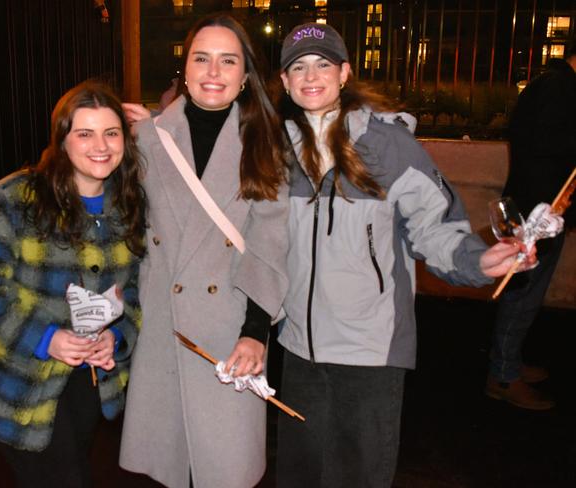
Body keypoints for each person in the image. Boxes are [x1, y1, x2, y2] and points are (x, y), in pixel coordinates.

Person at [273, 23, 536, 488]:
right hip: (299, 348)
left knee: (358, 477)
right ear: (285, 81)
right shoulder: (276, 151)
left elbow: (434, 227)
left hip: (370, 351)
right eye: (298, 66)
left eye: (322, 64)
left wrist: (478, 261)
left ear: (345, 73)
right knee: (300, 475)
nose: (310, 75)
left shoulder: (390, 146)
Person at [119, 14, 289, 488]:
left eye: (228, 60)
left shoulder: (267, 144)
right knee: (168, 468)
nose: (213, 71)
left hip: (230, 332)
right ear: (186, 70)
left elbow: (270, 249)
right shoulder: (146, 138)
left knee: (224, 469)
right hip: (163, 328)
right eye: (202, 58)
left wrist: (256, 332)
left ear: (244, 76)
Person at [0, 80, 146, 487]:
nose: (101, 146)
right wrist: (45, 338)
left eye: (111, 133)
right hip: (17, 380)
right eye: (84, 133)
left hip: (89, 382)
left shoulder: (131, 205)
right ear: (62, 140)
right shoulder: (14, 199)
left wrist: (118, 338)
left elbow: (141, 292)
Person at [485, 42, 576, 410]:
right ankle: (503, 376)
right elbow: (543, 143)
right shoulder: (556, 87)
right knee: (521, 293)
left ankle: (509, 362)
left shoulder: (557, 85)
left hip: (546, 210)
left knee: (526, 294)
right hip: (537, 214)